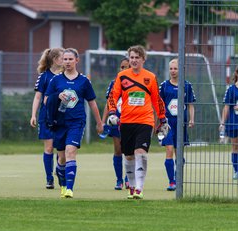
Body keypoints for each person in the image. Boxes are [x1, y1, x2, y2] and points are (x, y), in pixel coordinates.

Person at [107, 45, 167, 199]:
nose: (134, 60)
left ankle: (140, 188)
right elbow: (113, 97)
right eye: (131, 57)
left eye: (137, 58)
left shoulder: (150, 77)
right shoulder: (122, 76)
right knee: (128, 156)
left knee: (141, 153)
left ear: (143, 59)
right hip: (126, 121)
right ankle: (132, 186)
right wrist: (113, 113)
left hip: (145, 120)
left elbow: (157, 100)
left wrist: (162, 118)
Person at [44, 48, 103, 198]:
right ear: (62, 61)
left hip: (76, 122)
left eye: (71, 59)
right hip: (59, 122)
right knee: (61, 157)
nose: (68, 62)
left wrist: (99, 122)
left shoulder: (84, 81)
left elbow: (92, 103)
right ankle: (63, 184)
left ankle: (70, 188)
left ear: (77, 60)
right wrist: (58, 96)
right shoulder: (56, 80)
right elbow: (46, 100)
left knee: (71, 151)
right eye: (65, 59)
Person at [159, 58, 196, 191]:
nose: (173, 71)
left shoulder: (187, 86)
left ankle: (177, 176)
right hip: (167, 124)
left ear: (181, 70)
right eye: (171, 68)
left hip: (181, 124)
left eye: (176, 68)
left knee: (179, 153)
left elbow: (190, 105)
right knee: (169, 150)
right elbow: (159, 104)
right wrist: (159, 121)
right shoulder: (164, 85)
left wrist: (191, 119)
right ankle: (172, 182)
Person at [30, 47, 64, 189]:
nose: (65, 60)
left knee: (60, 148)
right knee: (49, 148)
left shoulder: (66, 76)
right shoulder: (44, 77)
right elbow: (38, 97)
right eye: (62, 57)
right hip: (46, 117)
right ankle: (49, 178)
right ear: (55, 59)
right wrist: (33, 114)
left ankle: (60, 170)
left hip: (62, 116)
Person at [101, 57, 130, 190]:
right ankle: (119, 180)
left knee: (129, 151)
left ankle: (129, 178)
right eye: (122, 67)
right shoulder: (114, 83)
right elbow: (109, 103)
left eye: (127, 67)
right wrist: (102, 121)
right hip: (116, 121)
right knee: (118, 150)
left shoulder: (136, 83)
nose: (124, 69)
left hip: (132, 120)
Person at [220, 64, 238, 180]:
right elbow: (226, 107)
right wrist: (222, 123)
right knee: (235, 146)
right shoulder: (231, 90)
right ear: (237, 74)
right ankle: (236, 171)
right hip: (233, 121)